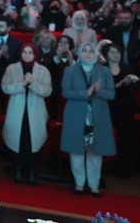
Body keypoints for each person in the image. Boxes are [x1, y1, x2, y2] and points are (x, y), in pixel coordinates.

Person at [60, 42, 116, 196]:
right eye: (84, 50)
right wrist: (86, 92)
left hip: (98, 115)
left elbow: (111, 94)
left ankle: (94, 185)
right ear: (79, 53)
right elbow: (65, 92)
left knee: (95, 151)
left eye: (91, 51)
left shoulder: (104, 71)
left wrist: (98, 91)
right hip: (76, 114)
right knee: (76, 150)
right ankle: (79, 183)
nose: (88, 53)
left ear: (96, 54)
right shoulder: (70, 70)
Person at [1, 43, 52, 184]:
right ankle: (17, 169)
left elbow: (47, 91)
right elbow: (5, 87)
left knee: (33, 139)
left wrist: (33, 83)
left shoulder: (43, 70)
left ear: (35, 54)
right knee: (18, 138)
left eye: (30, 52)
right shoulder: (11, 68)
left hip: (36, 111)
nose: (27, 55)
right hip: (17, 111)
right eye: (25, 52)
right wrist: (22, 84)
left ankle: (32, 171)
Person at [101, 42, 138, 177]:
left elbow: (136, 84)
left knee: (125, 137)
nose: (116, 55)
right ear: (106, 55)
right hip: (108, 106)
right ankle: (105, 166)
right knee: (105, 136)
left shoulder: (127, 67)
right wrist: (119, 84)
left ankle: (124, 167)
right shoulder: (103, 69)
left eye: (118, 52)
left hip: (125, 106)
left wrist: (132, 82)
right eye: (112, 52)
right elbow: (103, 89)